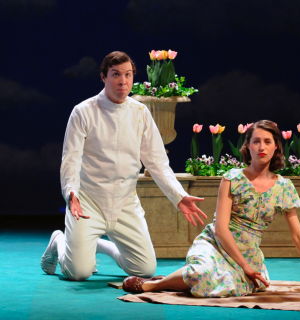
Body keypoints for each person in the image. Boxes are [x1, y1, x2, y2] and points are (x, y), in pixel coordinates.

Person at [122, 120, 300, 296]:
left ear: (276, 146)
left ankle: (181, 278)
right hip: (217, 242)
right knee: (202, 275)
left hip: (250, 250)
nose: (261, 147)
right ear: (247, 146)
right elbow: (221, 228)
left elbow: (298, 235)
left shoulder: (284, 187)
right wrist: (243, 266)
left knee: (228, 288)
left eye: (267, 141)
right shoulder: (232, 178)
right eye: (256, 141)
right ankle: (154, 285)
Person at [40, 51, 207, 281]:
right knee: (78, 273)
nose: (123, 81)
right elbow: (71, 159)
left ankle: (97, 245)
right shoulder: (83, 111)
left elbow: (157, 162)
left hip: (125, 202)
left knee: (144, 269)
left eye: (128, 75)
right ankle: (60, 241)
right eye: (116, 74)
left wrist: (179, 196)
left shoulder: (140, 112)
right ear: (103, 77)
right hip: (88, 202)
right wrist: (71, 193)